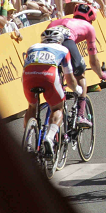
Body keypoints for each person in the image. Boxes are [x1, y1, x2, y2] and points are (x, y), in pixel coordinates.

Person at [20, 26, 79, 160]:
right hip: (49, 77)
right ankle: (50, 137)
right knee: (58, 108)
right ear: (59, 40)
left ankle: (28, 141)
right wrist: (77, 89)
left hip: (28, 77)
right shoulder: (63, 49)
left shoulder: (32, 47)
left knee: (32, 107)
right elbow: (69, 79)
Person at [46, 3, 106, 127]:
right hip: (67, 41)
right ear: (90, 19)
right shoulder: (89, 27)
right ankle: (80, 115)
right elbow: (93, 61)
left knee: (56, 73)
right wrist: (102, 74)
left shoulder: (58, 21)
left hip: (47, 44)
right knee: (80, 74)